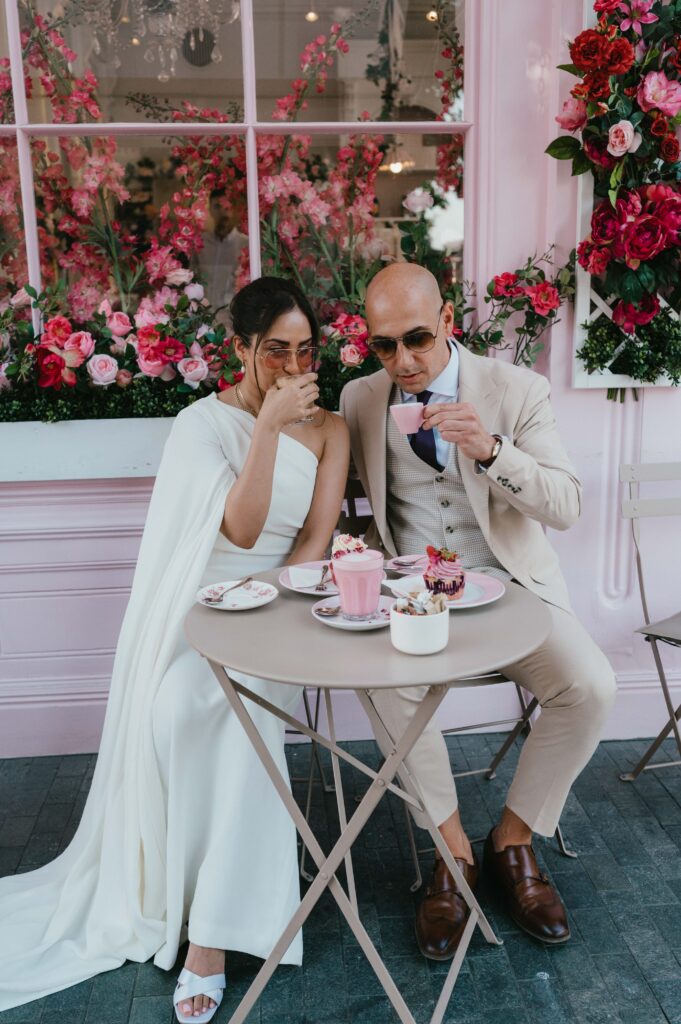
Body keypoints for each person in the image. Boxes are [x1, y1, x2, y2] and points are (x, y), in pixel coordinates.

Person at [0, 277, 350, 1023]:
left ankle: (211, 943)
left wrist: (283, 602)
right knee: (175, 705)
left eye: (305, 350)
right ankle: (189, 896)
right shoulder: (201, 424)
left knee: (234, 716)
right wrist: (265, 431)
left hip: (282, 611)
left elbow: (312, 541)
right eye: (274, 351)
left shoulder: (331, 430)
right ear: (242, 351)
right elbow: (242, 532)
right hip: (202, 611)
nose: (293, 367)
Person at [339, 262, 616, 960]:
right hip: (416, 597)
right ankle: (452, 852)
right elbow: (355, 505)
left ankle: (513, 840)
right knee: (381, 681)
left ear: (448, 324)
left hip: (512, 589)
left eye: (417, 339)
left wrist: (491, 449)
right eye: (382, 345)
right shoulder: (360, 399)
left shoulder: (514, 390)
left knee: (589, 687)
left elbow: (565, 505)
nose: (401, 361)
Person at [196, 189, 247, 313]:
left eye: (227, 207)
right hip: (203, 317)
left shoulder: (245, 244)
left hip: (232, 319)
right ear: (210, 211)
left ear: (234, 210)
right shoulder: (199, 243)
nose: (223, 213)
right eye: (217, 207)